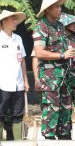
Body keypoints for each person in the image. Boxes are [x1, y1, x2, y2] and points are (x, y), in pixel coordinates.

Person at [32, 0, 75, 140]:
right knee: (51, 109)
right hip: (50, 76)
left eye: (60, 6)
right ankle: (49, 139)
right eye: (56, 6)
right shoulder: (41, 27)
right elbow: (39, 52)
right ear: (48, 9)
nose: (60, 9)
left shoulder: (59, 26)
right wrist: (62, 55)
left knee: (65, 110)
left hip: (64, 76)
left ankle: (64, 137)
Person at [0, 10, 29, 140]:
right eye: (12, 19)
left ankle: (18, 142)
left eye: (16, 19)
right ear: (4, 21)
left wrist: (26, 81)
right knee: (0, 114)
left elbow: (22, 60)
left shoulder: (18, 38)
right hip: (2, 84)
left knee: (18, 115)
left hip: (18, 84)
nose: (15, 21)